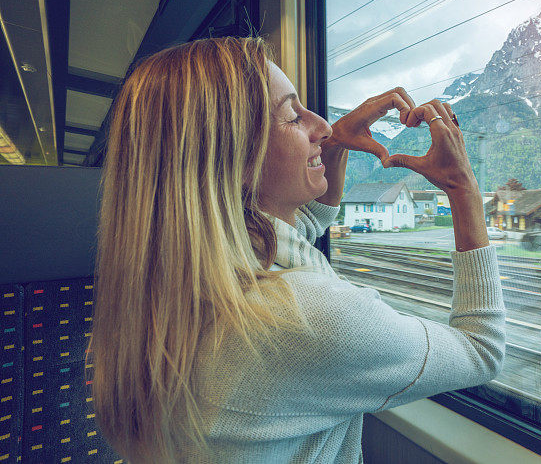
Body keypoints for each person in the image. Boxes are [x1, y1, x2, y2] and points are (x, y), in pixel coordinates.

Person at [90, 37, 505, 463]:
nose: (322, 126)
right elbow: (480, 348)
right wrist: (463, 188)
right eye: (292, 115)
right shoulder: (306, 317)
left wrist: (337, 146)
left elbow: (300, 227)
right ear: (232, 158)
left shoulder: (168, 280)